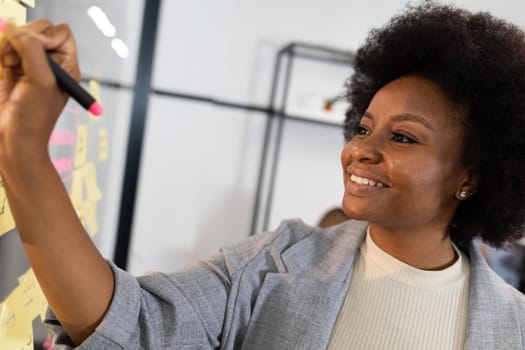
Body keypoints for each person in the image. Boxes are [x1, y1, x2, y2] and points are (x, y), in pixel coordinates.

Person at [0, 2, 524, 349]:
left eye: (403, 137)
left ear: (473, 176)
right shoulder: (274, 262)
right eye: (363, 128)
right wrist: (23, 151)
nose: (362, 150)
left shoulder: (513, 327)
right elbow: (133, 324)